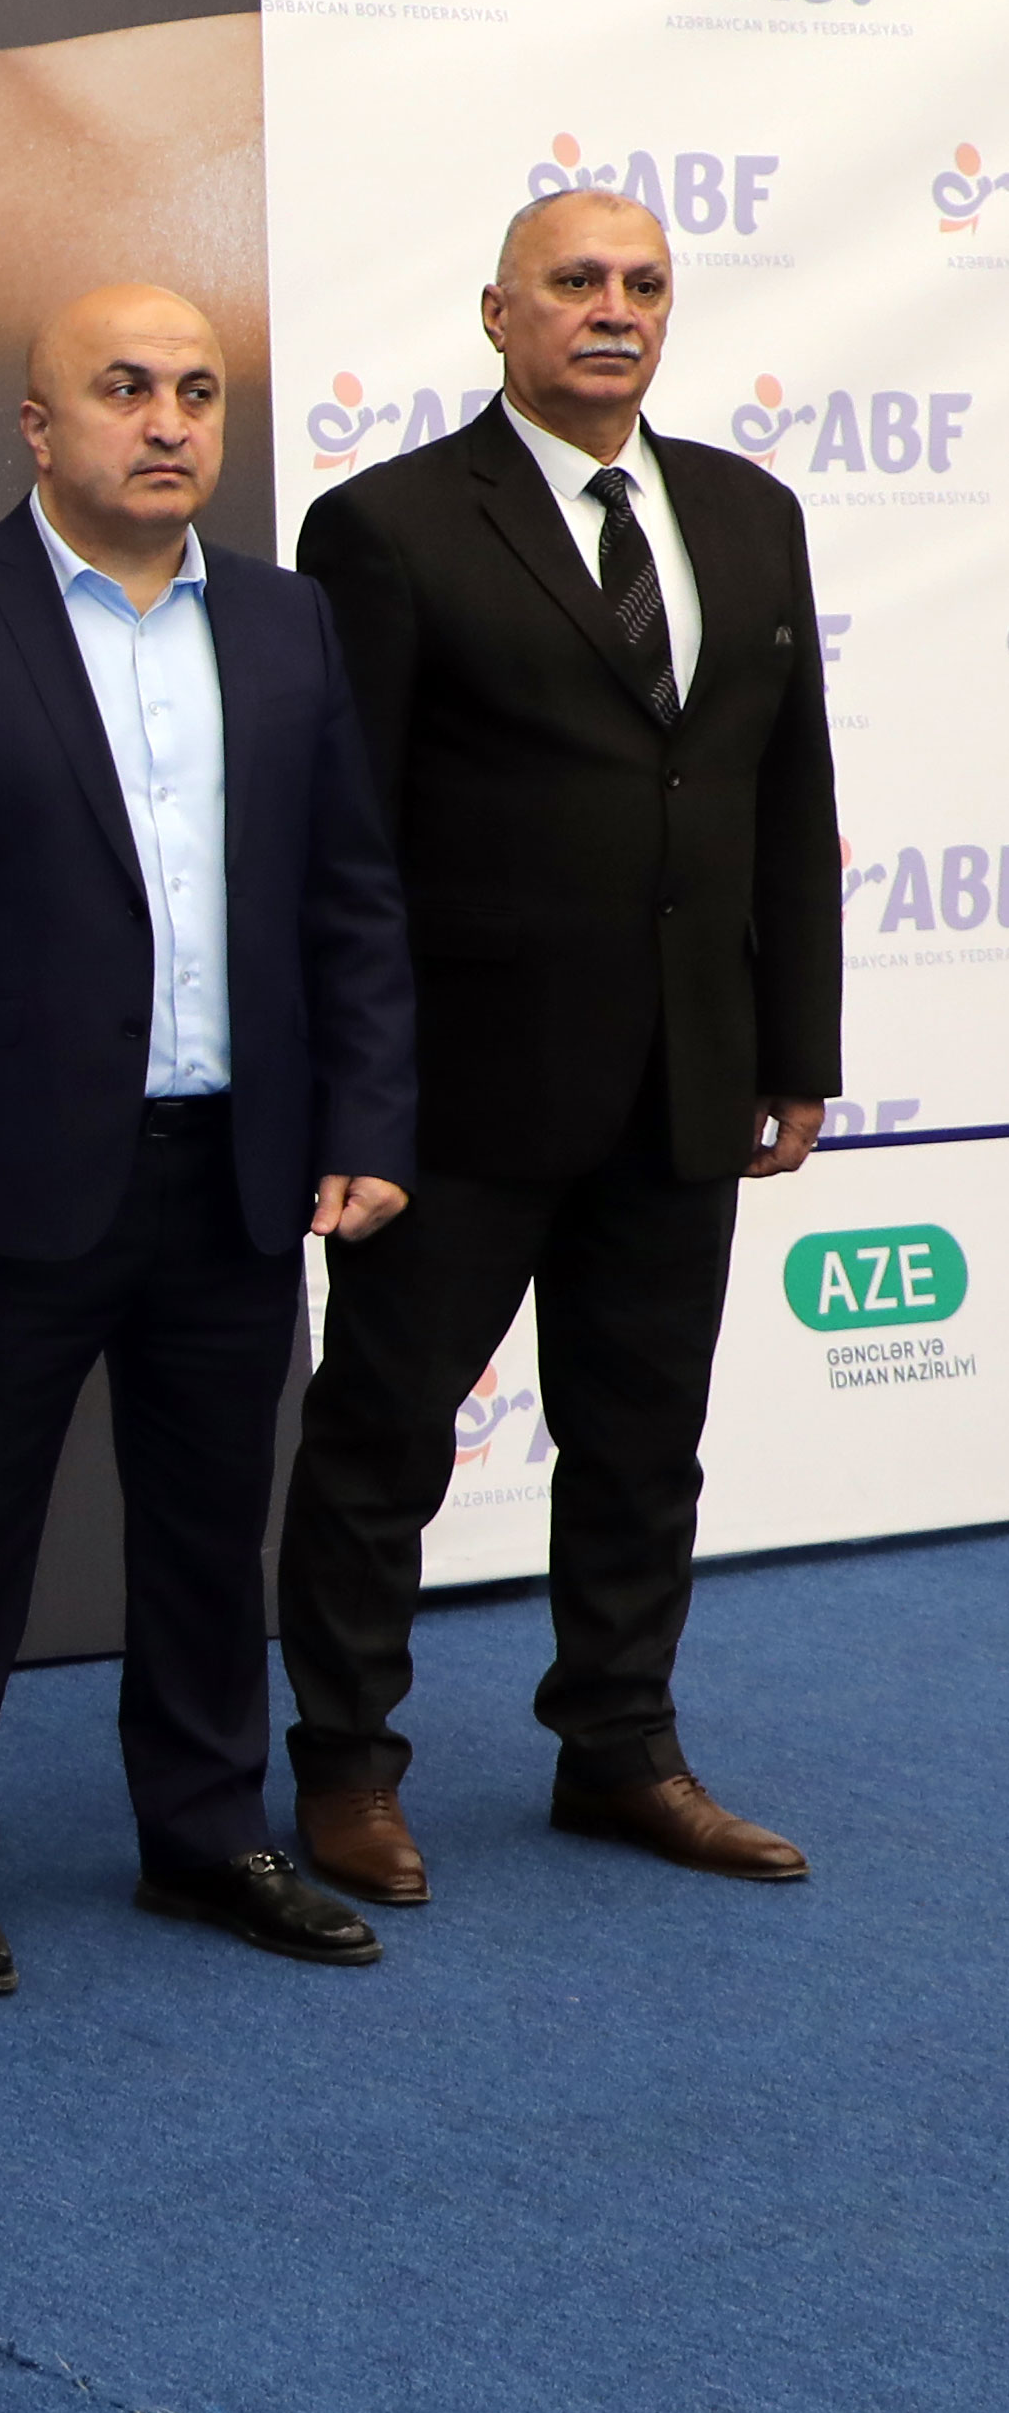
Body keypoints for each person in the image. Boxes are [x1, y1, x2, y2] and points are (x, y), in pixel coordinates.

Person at [0, 287, 417, 1996]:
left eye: (198, 392)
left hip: (239, 1166)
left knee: (215, 1527)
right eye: (126, 388)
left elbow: (351, 895)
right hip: (1, 1175)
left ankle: (209, 1831)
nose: (167, 422)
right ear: (38, 423)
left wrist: (369, 1113)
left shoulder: (289, 621)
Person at [271, 190, 840, 1901]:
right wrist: (355, 1092)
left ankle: (620, 1749)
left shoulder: (748, 512)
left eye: (643, 283)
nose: (614, 309)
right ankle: (347, 1769)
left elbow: (786, 791)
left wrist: (794, 1045)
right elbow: (344, 839)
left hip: (686, 1071)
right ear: (498, 313)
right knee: (383, 1442)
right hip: (457, 1091)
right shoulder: (384, 525)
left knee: (643, 1439)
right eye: (576, 281)